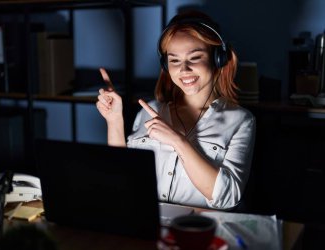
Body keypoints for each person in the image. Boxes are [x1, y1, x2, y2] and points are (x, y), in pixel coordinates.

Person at [96, 10, 255, 210]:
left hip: (199, 230)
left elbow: (226, 198)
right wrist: (114, 122)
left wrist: (177, 141)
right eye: (174, 60)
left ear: (218, 59)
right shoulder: (150, 109)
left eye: (195, 57)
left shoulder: (240, 120)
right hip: (146, 225)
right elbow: (121, 176)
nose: (184, 69)